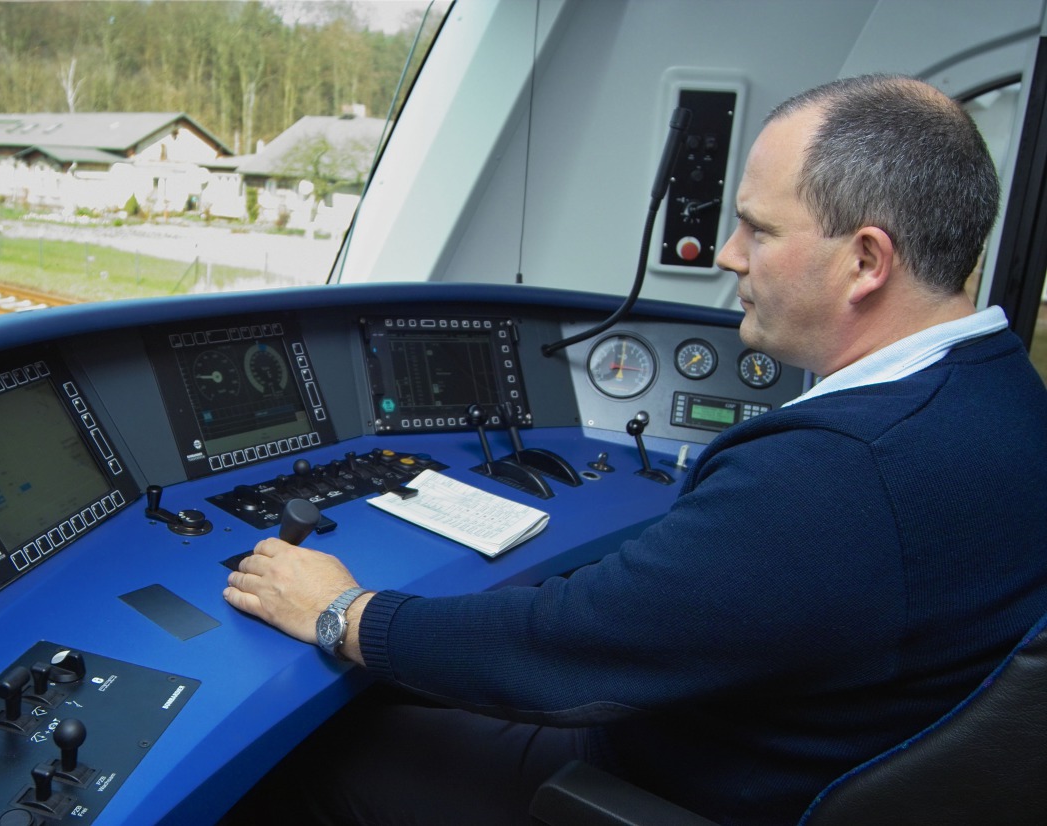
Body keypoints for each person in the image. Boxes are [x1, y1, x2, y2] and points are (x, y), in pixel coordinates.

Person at [222, 74, 1047, 825]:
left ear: (865, 260)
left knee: (319, 751)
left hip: (655, 790)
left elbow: (562, 652)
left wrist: (339, 610)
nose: (728, 256)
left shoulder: (839, 470)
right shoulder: (1003, 391)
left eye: (757, 230)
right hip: (796, 751)